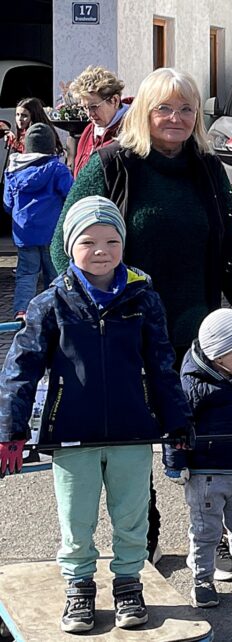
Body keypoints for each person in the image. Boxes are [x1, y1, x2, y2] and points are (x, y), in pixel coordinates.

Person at [51, 66, 232, 567]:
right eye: (164, 108)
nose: (176, 118)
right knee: (134, 440)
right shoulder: (112, 164)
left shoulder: (208, 169)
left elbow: (229, 252)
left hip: (195, 328)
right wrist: (88, 305)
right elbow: (65, 244)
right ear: (144, 113)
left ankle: (209, 536)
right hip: (125, 327)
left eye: (186, 109)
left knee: (201, 431)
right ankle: (143, 539)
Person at [0, 196, 191, 634]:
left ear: (123, 243)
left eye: (111, 241)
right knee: (77, 520)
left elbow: (162, 366)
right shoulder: (51, 303)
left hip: (131, 432)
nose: (101, 250)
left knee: (132, 517)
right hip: (73, 434)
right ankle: (79, 587)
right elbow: (20, 369)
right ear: (69, 246)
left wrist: (177, 423)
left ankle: (128, 583)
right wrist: (10, 429)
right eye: (88, 242)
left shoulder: (144, 298)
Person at [164, 308, 232, 608]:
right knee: (206, 531)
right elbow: (175, 426)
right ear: (219, 356)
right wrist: (175, 464)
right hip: (207, 475)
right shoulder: (193, 386)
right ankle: (202, 578)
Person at [3, 123, 72, 318]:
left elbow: (7, 204)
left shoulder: (13, 171)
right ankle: (55, 311)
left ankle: (22, 311)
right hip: (52, 232)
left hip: (25, 234)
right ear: (51, 146)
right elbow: (70, 195)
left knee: (26, 274)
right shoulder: (57, 169)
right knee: (55, 274)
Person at [69, 66, 131, 177]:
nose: (89, 114)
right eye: (85, 108)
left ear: (115, 100)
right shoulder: (89, 131)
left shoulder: (133, 132)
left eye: (94, 107)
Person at [4, 97, 65, 162]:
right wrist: (12, 138)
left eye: (24, 115)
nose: (19, 119)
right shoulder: (21, 133)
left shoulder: (40, 134)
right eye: (17, 115)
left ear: (34, 116)